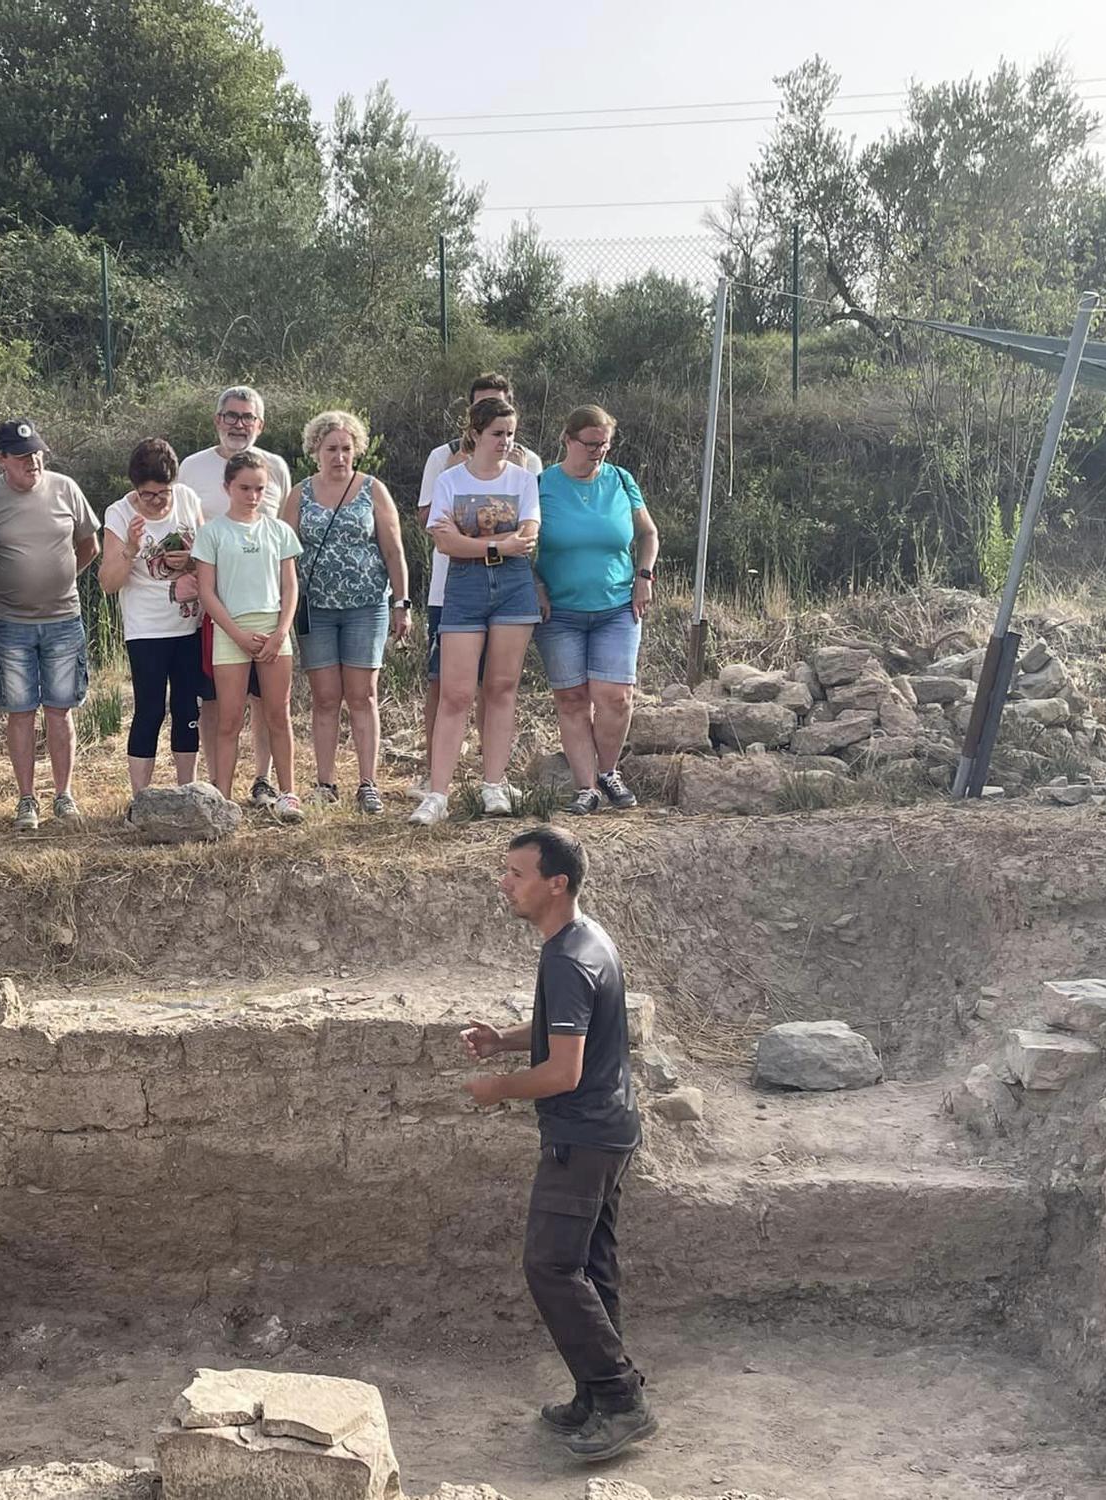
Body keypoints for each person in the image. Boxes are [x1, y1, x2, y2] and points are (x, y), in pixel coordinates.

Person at [460, 826, 653, 1463]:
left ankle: (620, 1401)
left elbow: (563, 1073)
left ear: (556, 883)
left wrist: (498, 1089)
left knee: (550, 1266)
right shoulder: (586, 938)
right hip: (610, 1128)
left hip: (583, 1135)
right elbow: (567, 1033)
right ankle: (597, 1395)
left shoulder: (567, 958)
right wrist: (505, 1040)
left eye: (516, 874)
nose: (504, 884)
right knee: (591, 1268)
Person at [411, 396, 542, 828]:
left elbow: (527, 537)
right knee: (455, 693)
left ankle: (494, 784)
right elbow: (444, 541)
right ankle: (437, 794)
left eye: (510, 434)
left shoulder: (524, 480)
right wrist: (497, 546)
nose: (505, 442)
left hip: (513, 587)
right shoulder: (450, 480)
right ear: (475, 433)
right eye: (497, 433)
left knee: (501, 688)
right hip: (465, 586)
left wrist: (476, 543)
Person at [535, 406, 659, 817]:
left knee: (615, 696)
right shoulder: (542, 485)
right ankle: (585, 787)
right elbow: (522, 543)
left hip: (616, 605)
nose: (598, 452)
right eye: (590, 444)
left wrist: (644, 575)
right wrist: (535, 585)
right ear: (567, 440)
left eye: (604, 444)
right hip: (560, 611)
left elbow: (648, 533)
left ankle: (608, 771)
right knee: (572, 699)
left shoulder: (621, 480)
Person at [285, 411, 410, 814]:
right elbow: (284, 554)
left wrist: (402, 603)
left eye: (346, 448)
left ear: (356, 450)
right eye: (331, 449)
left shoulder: (373, 490)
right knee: (324, 698)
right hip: (315, 610)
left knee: (362, 695)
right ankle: (325, 783)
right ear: (315, 451)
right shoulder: (299, 494)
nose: (339, 457)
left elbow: (393, 550)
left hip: (366, 607)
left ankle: (367, 783)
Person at [0, 419, 101, 831]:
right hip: (9, 622)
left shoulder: (65, 488)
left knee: (60, 710)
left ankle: (63, 795)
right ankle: (26, 799)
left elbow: (89, 544)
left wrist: (63, 579)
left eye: (36, 453)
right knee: (19, 712)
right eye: (21, 456)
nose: (32, 461)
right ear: (0, 458)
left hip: (63, 619)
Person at [178, 386, 292, 805]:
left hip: (266, 606)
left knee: (268, 703)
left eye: (247, 417)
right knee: (215, 701)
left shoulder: (276, 467)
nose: (239, 424)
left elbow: (283, 534)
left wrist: (282, 623)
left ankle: (264, 779)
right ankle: (216, 786)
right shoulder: (192, 467)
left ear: (260, 424)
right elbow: (180, 523)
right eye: (231, 416)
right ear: (217, 419)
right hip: (212, 608)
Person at [194, 451, 304, 822]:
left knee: (278, 714)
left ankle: (288, 794)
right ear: (228, 487)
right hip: (231, 631)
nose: (253, 496)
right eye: (244, 488)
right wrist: (238, 635)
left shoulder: (279, 531)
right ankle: (223, 801)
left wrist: (281, 632)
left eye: (259, 489)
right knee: (228, 720)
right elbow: (207, 592)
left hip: (274, 630)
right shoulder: (212, 533)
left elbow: (290, 587)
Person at [99, 438, 208, 794]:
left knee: (187, 707)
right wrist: (131, 548)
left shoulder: (187, 499)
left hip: (189, 624)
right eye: (148, 495)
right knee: (150, 709)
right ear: (135, 488)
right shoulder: (119, 514)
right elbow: (108, 583)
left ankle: (187, 791)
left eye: (164, 492)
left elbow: (208, 556)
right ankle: (140, 797)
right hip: (146, 629)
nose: (158, 501)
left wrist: (191, 558)